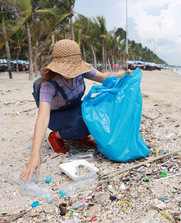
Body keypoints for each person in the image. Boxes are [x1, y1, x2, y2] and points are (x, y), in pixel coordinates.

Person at [20, 39, 131, 182]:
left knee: (97, 114)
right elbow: (42, 117)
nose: (72, 73)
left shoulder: (82, 70)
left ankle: (77, 134)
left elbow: (105, 78)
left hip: (75, 107)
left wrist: (124, 75)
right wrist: (35, 155)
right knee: (82, 126)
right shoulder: (48, 84)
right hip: (56, 115)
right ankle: (56, 136)